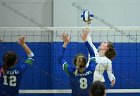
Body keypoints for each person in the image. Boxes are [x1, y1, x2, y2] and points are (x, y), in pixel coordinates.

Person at [58, 30, 95, 96]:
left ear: (75, 62)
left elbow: (60, 58)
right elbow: (92, 54)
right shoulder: (91, 70)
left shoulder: (71, 71)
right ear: (85, 62)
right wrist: (85, 40)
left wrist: (65, 43)